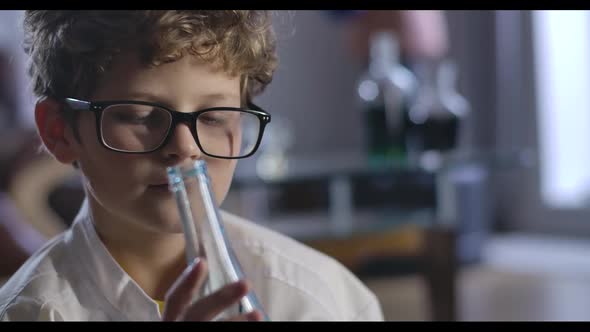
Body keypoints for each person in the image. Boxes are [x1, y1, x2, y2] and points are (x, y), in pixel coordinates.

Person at [0, 10, 383, 321]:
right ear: (59, 131)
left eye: (215, 117)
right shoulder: (30, 312)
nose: (183, 149)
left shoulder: (319, 298)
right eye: (140, 115)